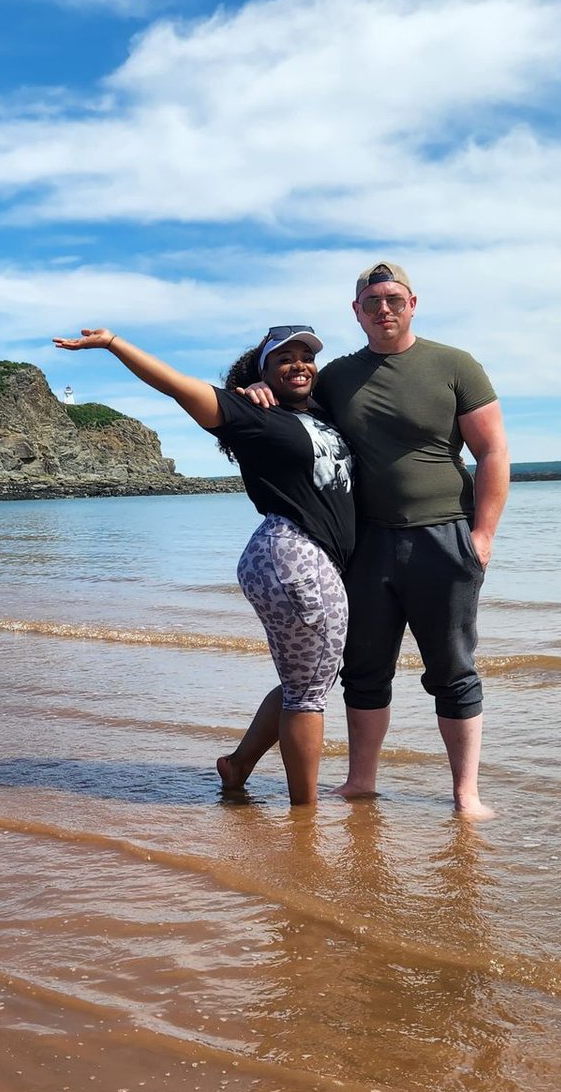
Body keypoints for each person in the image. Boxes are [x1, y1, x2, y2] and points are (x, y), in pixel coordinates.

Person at [242, 261, 509, 819]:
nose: (383, 309)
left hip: (443, 537)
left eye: (393, 299)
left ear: (413, 303)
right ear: (357, 311)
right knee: (363, 670)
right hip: (364, 546)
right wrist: (258, 388)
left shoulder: (455, 365)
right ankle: (360, 781)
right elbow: (295, 409)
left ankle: (466, 795)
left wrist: (482, 536)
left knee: (453, 669)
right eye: (371, 301)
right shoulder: (338, 376)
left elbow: (492, 453)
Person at [53, 325, 355, 805]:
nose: (299, 364)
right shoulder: (247, 413)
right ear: (263, 372)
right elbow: (174, 384)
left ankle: (237, 766)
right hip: (294, 553)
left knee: (307, 680)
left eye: (306, 357)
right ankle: (306, 818)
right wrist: (113, 344)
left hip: (300, 556)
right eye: (284, 359)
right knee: (308, 694)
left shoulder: (320, 413)